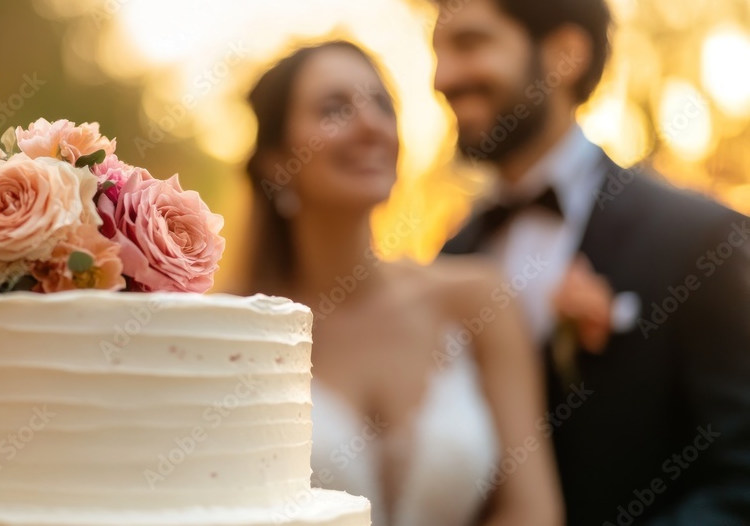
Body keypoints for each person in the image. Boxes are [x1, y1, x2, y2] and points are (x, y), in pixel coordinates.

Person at [415, 0, 750, 524]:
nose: (442, 77)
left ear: (564, 55)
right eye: (438, 51)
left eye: (470, 44)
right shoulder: (449, 261)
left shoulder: (701, 241)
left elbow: (742, 479)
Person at [240, 40, 563, 526]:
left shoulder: (477, 298)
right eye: (334, 109)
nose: (370, 125)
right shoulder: (235, 329)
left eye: (382, 106)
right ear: (274, 162)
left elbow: (532, 509)